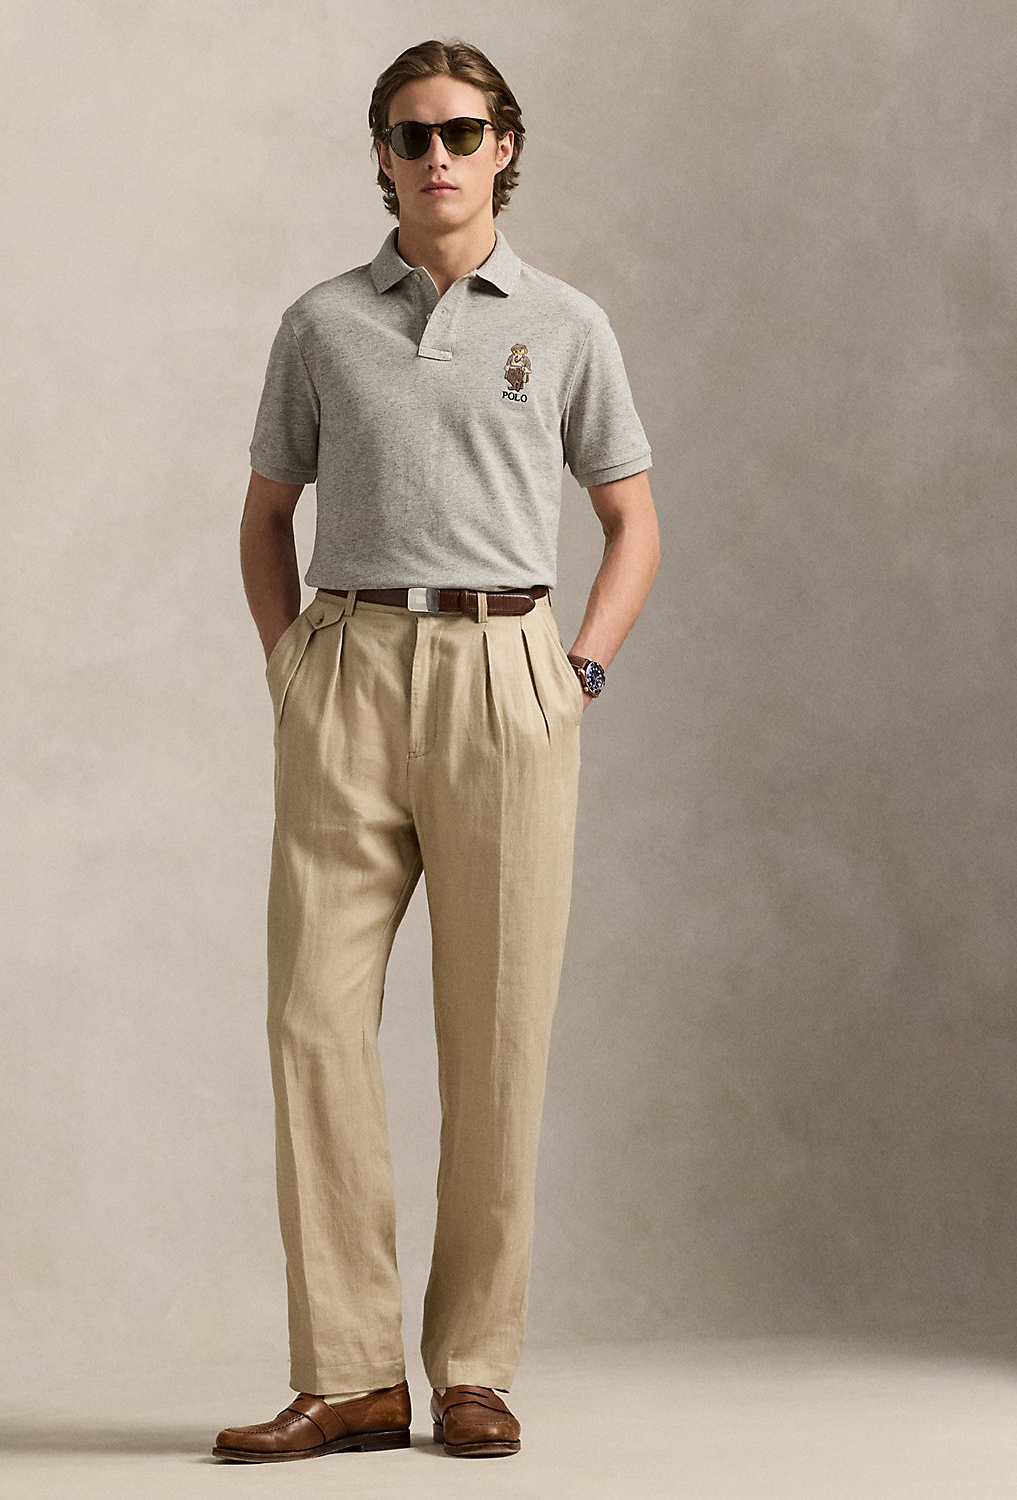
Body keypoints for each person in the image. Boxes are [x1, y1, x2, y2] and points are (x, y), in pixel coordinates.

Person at [214, 36, 660, 1464]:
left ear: (504, 147)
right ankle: (351, 1374)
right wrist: (292, 667)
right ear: (383, 155)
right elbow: (265, 514)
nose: (438, 157)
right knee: (313, 1021)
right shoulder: (323, 323)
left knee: (497, 1035)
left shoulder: (568, 325)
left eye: (463, 132)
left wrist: (579, 669)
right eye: (412, 136)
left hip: (505, 673)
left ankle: (473, 1365)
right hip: (348, 671)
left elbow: (633, 521)